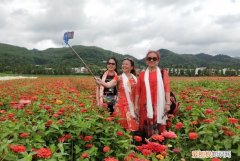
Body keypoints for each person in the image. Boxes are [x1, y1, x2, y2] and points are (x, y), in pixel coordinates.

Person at [135, 50, 171, 138]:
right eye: (149, 58)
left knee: (159, 129)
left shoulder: (163, 73)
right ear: (146, 60)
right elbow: (137, 91)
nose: (151, 60)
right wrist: (136, 105)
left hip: (159, 106)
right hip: (145, 106)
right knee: (145, 128)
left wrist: (167, 103)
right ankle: (145, 148)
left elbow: (167, 88)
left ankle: (159, 147)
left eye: (154, 58)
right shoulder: (142, 74)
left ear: (158, 60)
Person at [96, 58, 138, 131]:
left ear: (131, 67)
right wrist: (101, 82)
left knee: (133, 128)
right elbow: (108, 84)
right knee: (121, 128)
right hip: (121, 105)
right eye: (123, 64)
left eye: (126, 64)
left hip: (133, 104)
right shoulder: (118, 77)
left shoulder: (136, 78)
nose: (124, 65)